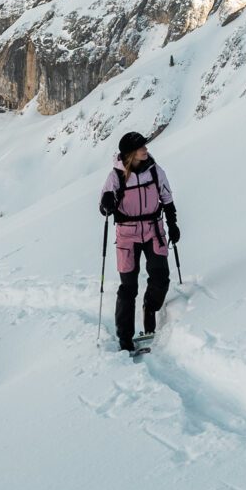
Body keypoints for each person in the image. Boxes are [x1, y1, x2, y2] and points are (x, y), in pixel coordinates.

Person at [99, 130, 180, 352]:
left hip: (154, 230)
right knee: (128, 288)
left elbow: (168, 200)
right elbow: (105, 205)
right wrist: (106, 203)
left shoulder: (156, 171)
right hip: (127, 234)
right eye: (142, 147)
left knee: (161, 277)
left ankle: (150, 307)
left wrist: (172, 225)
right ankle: (125, 338)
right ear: (131, 153)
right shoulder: (115, 176)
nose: (146, 149)